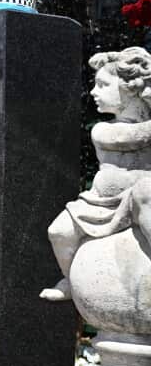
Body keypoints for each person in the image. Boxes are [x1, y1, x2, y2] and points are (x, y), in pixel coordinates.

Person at [43, 47, 151, 301]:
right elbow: (135, 136)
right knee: (58, 231)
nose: (94, 92)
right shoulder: (103, 130)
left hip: (139, 197)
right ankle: (71, 280)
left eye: (103, 85)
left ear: (130, 88)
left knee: (146, 195)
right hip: (100, 203)